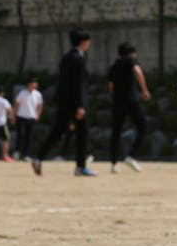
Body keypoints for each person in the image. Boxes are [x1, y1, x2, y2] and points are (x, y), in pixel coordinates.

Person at [34, 28, 94, 177]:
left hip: (63, 101)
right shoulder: (79, 58)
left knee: (57, 131)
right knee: (83, 132)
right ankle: (81, 166)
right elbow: (78, 84)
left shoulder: (66, 57)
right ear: (83, 42)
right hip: (75, 102)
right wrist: (80, 105)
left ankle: (38, 157)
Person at [107, 42, 150, 173]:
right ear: (132, 52)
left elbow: (111, 86)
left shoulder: (113, 65)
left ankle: (114, 164)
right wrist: (144, 90)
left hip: (118, 101)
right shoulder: (131, 60)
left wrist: (117, 96)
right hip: (132, 100)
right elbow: (137, 71)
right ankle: (131, 156)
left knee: (116, 131)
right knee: (142, 127)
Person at [14, 77, 43, 162]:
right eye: (32, 83)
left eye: (35, 84)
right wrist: (13, 115)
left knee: (29, 137)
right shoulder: (22, 93)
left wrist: (38, 115)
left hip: (31, 117)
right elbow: (16, 104)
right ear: (28, 84)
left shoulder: (38, 94)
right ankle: (17, 151)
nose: (34, 85)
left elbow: (40, 105)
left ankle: (26, 154)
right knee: (20, 134)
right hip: (21, 116)